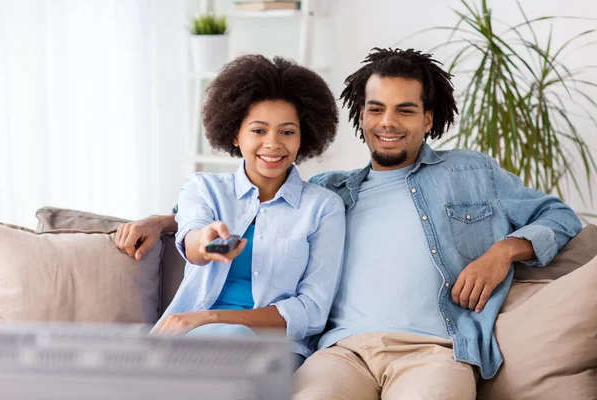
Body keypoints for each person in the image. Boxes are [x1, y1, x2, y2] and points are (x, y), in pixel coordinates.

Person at [117, 47, 582, 399]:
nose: (388, 123)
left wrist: (503, 253)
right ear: (361, 114)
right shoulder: (331, 191)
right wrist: (166, 221)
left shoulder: (472, 173)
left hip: (434, 350)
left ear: (429, 117)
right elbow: (258, 206)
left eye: (405, 109)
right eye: (376, 108)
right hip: (342, 352)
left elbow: (560, 216)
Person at [116, 54, 346, 367]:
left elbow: (312, 311)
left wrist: (208, 317)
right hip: (193, 341)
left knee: (235, 342)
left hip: (275, 351)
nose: (273, 144)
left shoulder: (322, 207)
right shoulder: (204, 188)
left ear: (303, 136)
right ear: (236, 134)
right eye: (259, 130)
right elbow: (193, 237)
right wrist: (208, 243)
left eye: (287, 132)